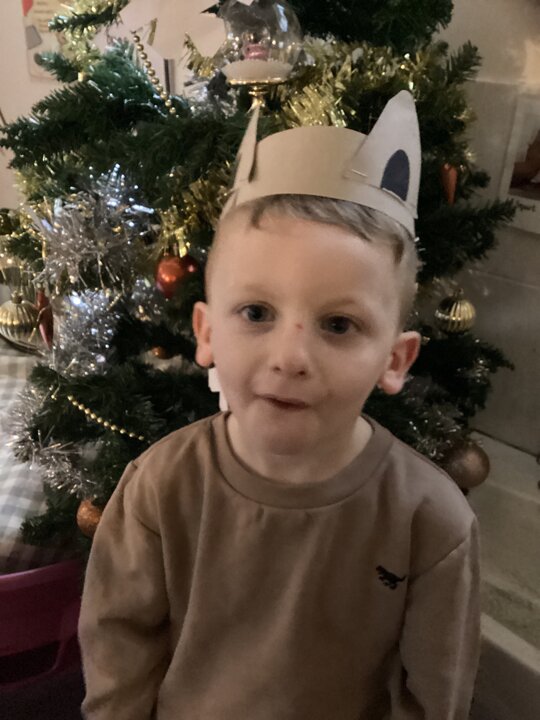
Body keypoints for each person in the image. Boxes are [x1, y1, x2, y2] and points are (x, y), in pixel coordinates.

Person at [78, 91, 480, 719]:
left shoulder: (432, 522)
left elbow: (434, 695)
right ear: (207, 333)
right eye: (257, 312)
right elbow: (118, 653)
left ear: (395, 360)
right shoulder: (159, 486)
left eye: (339, 324)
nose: (290, 357)